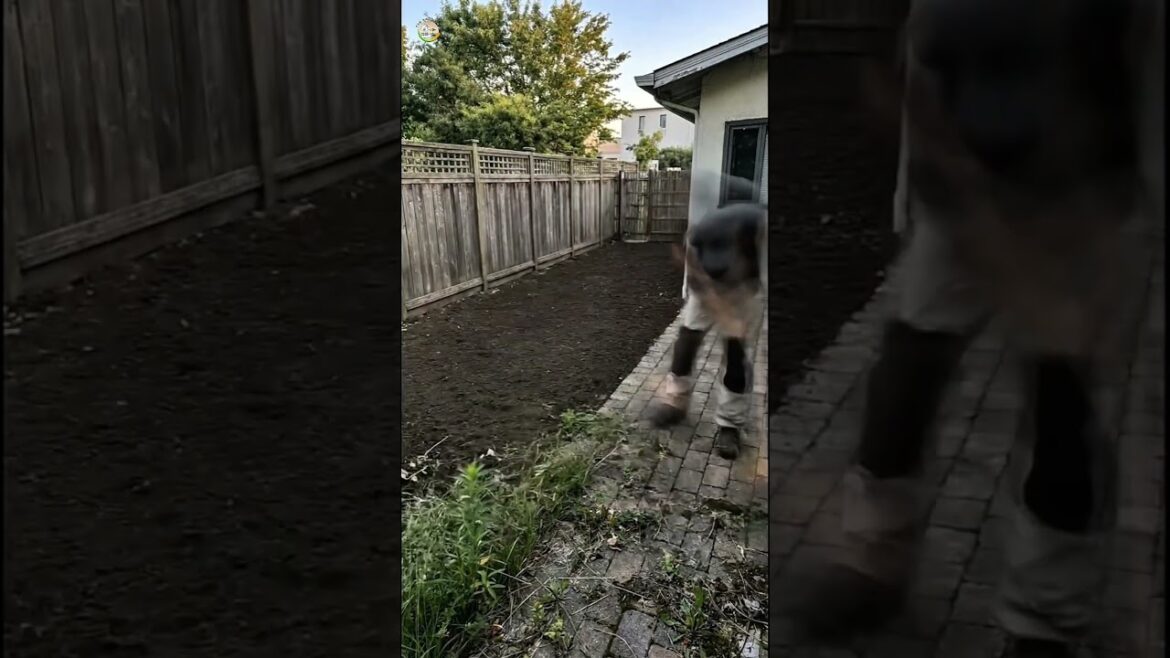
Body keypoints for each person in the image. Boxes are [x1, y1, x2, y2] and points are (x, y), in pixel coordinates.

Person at [786, 0, 1162, 656]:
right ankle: (875, 567)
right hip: (958, 197)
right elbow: (920, 60)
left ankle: (1044, 625)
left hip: (1078, 210)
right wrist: (930, 191)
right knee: (901, 375)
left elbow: (1132, 74)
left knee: (1062, 412)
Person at [645, 177, 768, 460]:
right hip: (707, 288)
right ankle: (675, 404)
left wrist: (734, 323)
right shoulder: (702, 229)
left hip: (746, 292)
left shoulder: (760, 226)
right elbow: (690, 263)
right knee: (686, 342)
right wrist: (713, 300)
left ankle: (730, 425)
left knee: (737, 357)